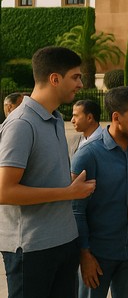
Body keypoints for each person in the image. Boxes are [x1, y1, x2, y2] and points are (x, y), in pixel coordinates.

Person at [0, 46, 96, 298]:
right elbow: (5, 191)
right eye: (75, 77)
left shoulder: (54, 119)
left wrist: (68, 182)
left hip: (63, 242)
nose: (80, 83)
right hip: (32, 249)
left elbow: (40, 176)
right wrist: (68, 192)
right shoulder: (21, 124)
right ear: (55, 79)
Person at [71, 86, 128, 298]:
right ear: (116, 117)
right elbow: (76, 210)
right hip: (96, 255)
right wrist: (84, 255)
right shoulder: (88, 155)